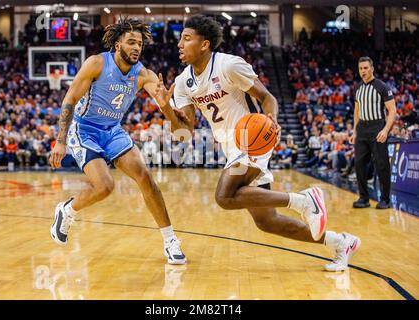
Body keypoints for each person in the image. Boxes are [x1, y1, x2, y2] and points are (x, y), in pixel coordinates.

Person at [155, 15, 360, 271]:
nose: (179, 44)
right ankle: (341, 243)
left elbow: (267, 97)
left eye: (186, 38)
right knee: (267, 221)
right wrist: (166, 108)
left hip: (253, 138)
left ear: (204, 44)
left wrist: (271, 119)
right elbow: (184, 133)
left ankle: (304, 200)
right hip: (231, 148)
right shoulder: (183, 82)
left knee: (223, 196)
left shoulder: (229, 66)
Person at [48, 18, 186, 265]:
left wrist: (166, 107)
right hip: (84, 129)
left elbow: (168, 110)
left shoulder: (144, 74)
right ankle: (67, 210)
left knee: (145, 176)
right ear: (117, 44)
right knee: (105, 186)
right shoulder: (97, 63)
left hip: (112, 130)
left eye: (140, 44)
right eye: (131, 42)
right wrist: (60, 141)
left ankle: (170, 239)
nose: (136, 47)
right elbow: (69, 99)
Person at [350, 57, 396, 209]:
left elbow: (392, 110)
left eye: (365, 68)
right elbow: (356, 112)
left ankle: (385, 199)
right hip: (362, 129)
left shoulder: (382, 86)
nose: (363, 71)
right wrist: (354, 131)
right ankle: (363, 198)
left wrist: (385, 130)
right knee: (359, 164)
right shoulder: (357, 88)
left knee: (382, 164)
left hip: (377, 128)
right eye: (360, 68)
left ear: (372, 68)